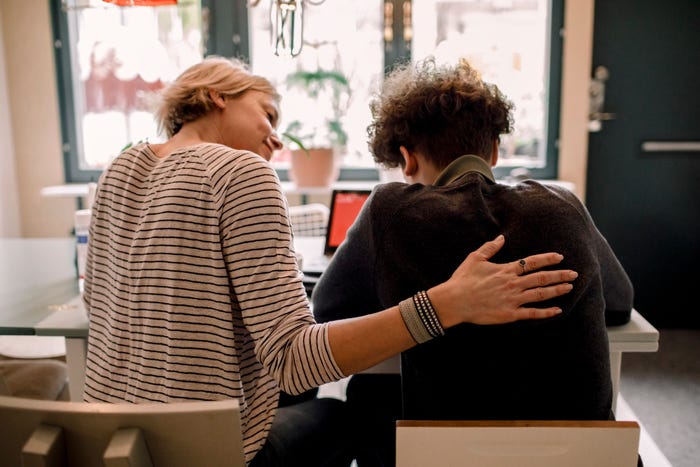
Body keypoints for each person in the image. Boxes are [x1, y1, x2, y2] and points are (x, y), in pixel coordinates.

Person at [82, 56, 577, 466]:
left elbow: (98, 303)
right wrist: (446, 303)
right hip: (206, 454)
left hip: (110, 444)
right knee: (350, 414)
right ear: (218, 95)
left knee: (308, 400)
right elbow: (296, 362)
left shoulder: (120, 167)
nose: (275, 140)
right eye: (268, 115)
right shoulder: (240, 171)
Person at [312, 57, 634, 466]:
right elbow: (621, 303)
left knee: (368, 394)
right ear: (495, 151)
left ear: (407, 159)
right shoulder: (561, 204)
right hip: (580, 460)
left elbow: (327, 311)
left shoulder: (390, 210)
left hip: (442, 459)